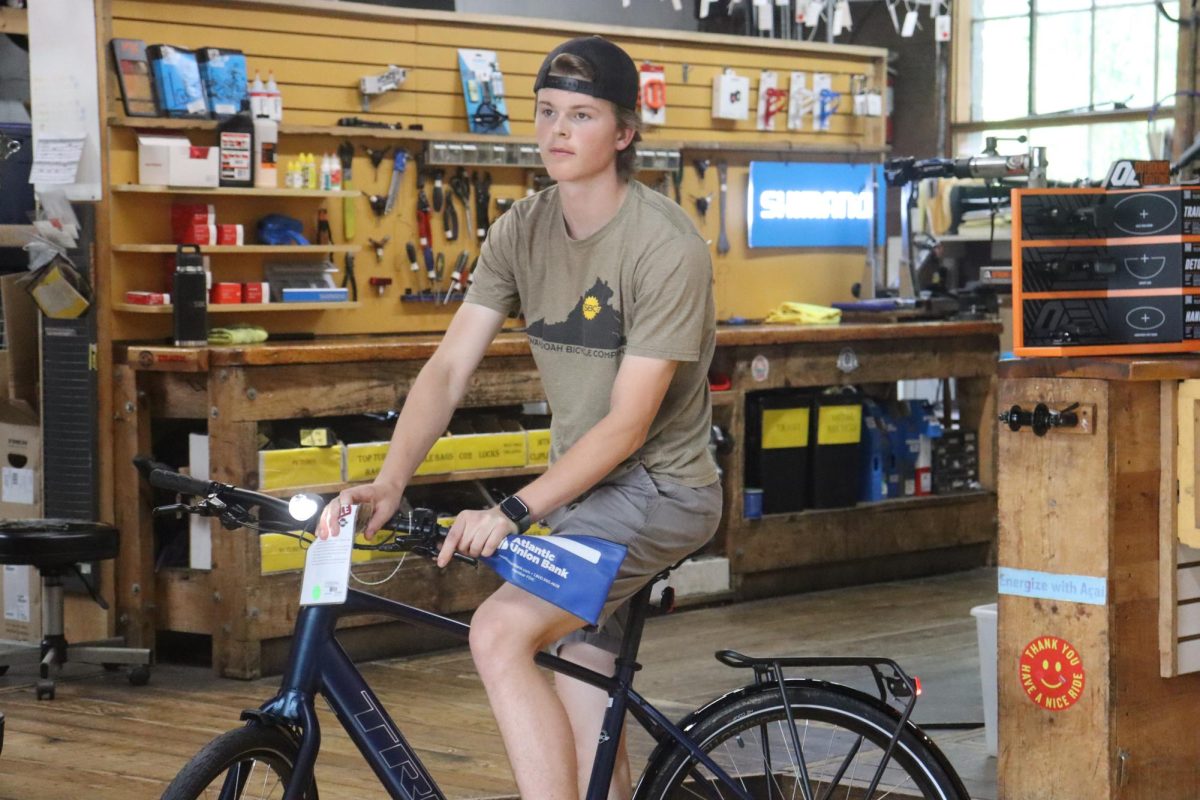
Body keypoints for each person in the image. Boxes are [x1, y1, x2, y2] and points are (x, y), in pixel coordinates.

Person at [319, 35, 720, 800]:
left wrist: (512, 509)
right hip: (585, 498)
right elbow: (446, 370)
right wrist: (390, 481)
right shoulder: (520, 228)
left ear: (624, 133)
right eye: (545, 113)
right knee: (582, 696)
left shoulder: (664, 248)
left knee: (499, 632)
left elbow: (628, 426)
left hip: (661, 492)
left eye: (582, 114)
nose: (557, 131)